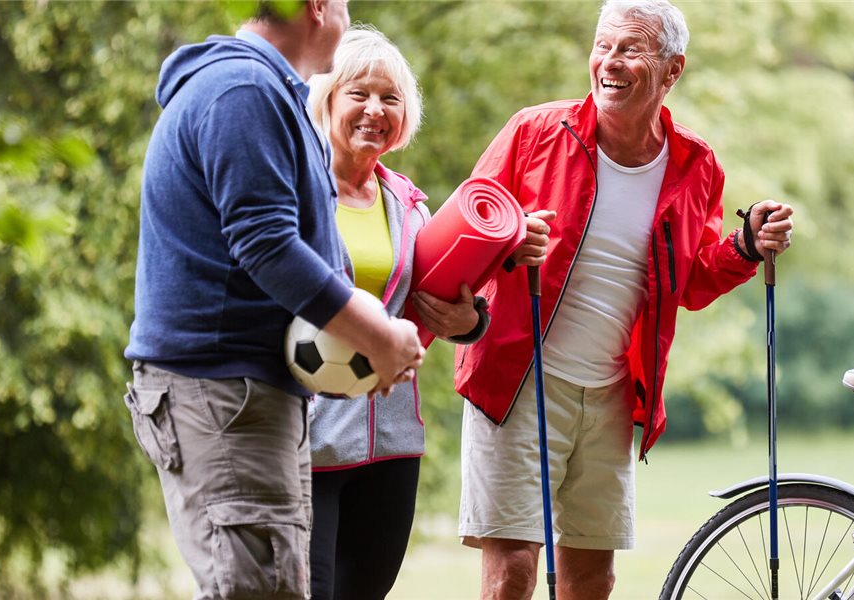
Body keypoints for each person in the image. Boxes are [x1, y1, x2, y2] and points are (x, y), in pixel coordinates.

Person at [454, 1, 795, 598]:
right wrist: (511, 241)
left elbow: (687, 281)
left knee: (592, 577)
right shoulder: (535, 132)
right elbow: (460, 231)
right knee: (512, 570)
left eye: (629, 49)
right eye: (603, 45)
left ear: (672, 70)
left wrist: (744, 244)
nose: (609, 61)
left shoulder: (695, 165)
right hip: (517, 379)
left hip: (613, 393)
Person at [123, 3, 424, 599]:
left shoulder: (261, 88)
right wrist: (375, 332)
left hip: (252, 398)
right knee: (258, 589)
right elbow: (265, 242)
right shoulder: (242, 88)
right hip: (225, 397)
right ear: (316, 7)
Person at [303, 26, 493, 600]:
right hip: (305, 440)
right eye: (358, 93)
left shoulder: (408, 203)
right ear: (328, 100)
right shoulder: (293, 191)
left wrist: (472, 322)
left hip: (391, 443)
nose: (374, 110)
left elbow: (443, 300)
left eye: (390, 97)